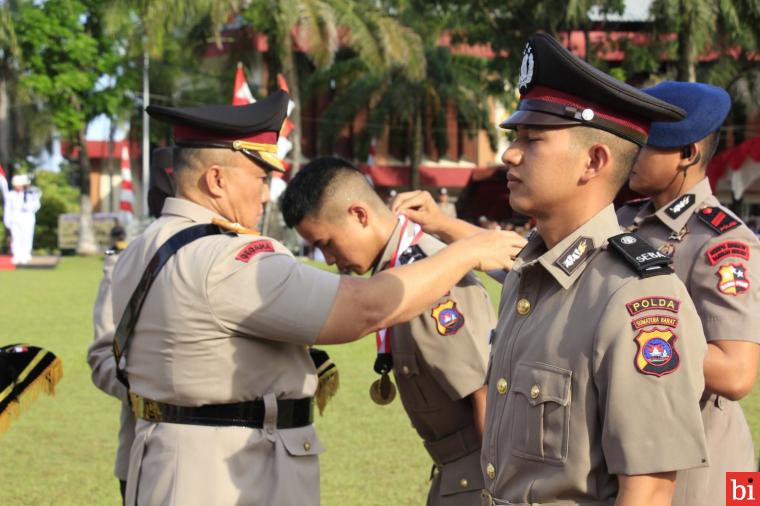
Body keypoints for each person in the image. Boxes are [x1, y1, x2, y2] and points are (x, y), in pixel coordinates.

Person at [110, 91, 523, 506]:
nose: (264, 195)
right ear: (216, 179)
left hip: (166, 464)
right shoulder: (228, 258)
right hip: (226, 477)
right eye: (259, 179)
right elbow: (366, 308)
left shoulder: (142, 251)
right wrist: (468, 249)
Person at [393, 33, 710, 506]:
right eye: (515, 136)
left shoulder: (634, 299)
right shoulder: (529, 273)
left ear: (594, 161)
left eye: (532, 139)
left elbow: (647, 490)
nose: (509, 154)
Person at [281, 156, 507, 506]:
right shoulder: (401, 272)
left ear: (359, 214)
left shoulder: (425, 280)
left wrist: (500, 493)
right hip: (455, 472)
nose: (327, 259)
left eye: (327, 242)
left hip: (478, 479)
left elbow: (485, 394)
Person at [616, 81, 760, 506]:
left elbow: (737, 374)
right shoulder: (626, 220)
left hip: (707, 468)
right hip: (645, 453)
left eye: (645, 144)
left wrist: (632, 332)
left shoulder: (720, 241)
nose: (631, 153)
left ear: (687, 153)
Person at [87, 147, 176, 504]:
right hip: (146, 450)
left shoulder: (232, 257)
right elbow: (101, 355)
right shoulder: (129, 261)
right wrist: (153, 392)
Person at [0, 169, 42, 265]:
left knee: (26, 236)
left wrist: (29, 207)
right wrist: (7, 220)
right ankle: (17, 254)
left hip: (27, 217)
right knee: (16, 237)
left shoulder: (31, 193)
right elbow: (8, 208)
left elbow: (36, 205)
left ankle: (26, 254)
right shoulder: (10, 195)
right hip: (15, 218)